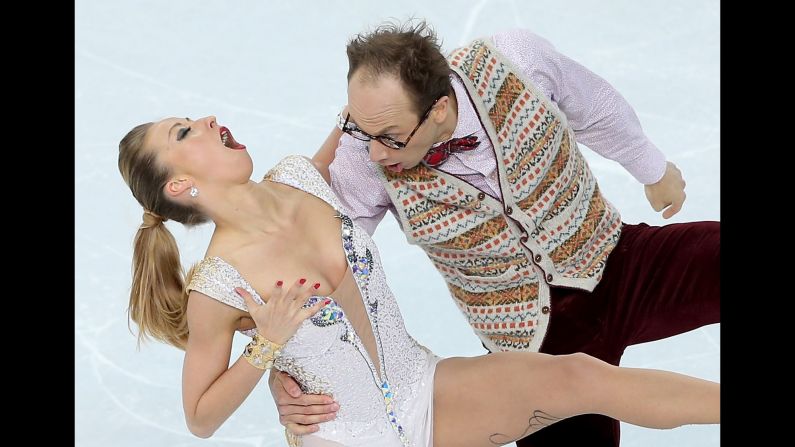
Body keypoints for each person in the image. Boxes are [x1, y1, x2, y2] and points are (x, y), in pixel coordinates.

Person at [118, 114, 719, 447]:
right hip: (346, 438)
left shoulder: (302, 176)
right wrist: (266, 347)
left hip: (428, 389)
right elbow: (199, 418)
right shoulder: (218, 286)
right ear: (180, 186)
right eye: (183, 133)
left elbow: (364, 118)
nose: (208, 120)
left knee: (579, 375)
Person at [270, 20, 720, 447]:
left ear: (439, 108)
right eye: (361, 131)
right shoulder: (362, 157)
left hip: (617, 259)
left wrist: (653, 168)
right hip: (530, 347)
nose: (373, 150)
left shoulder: (514, 58)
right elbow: (325, 265)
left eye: (389, 136)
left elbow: (593, 105)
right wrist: (286, 368)